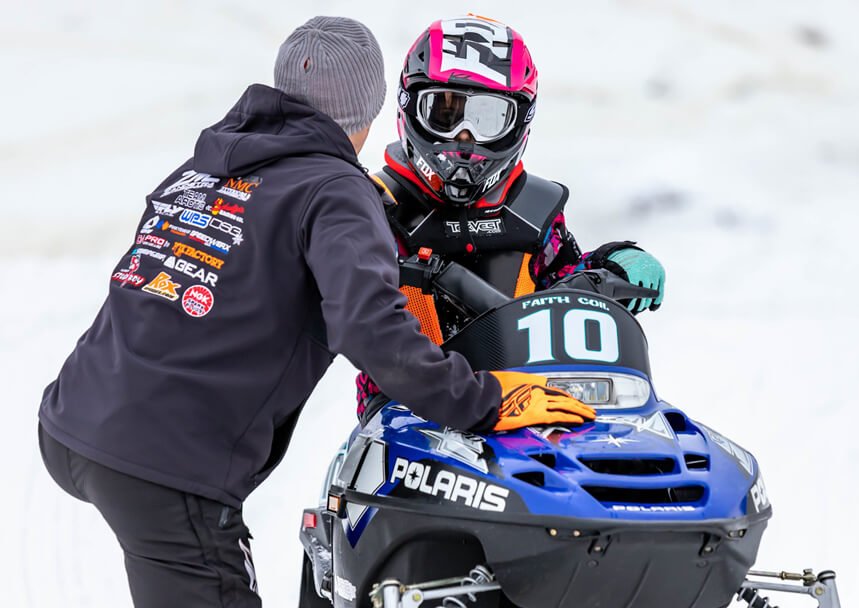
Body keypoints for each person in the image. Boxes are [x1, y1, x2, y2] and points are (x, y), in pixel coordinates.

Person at [37, 16, 594, 608]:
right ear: (382, 106)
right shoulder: (337, 190)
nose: (461, 139)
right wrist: (485, 400)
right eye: (445, 112)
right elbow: (371, 329)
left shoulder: (210, 166)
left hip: (75, 419)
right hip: (165, 467)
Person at [356, 15, 667, 414]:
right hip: (408, 415)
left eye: (486, 118)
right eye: (445, 114)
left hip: (534, 407)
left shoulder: (534, 213)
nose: (464, 139)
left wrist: (610, 263)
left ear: (519, 121)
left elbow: (562, 284)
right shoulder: (370, 207)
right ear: (409, 107)